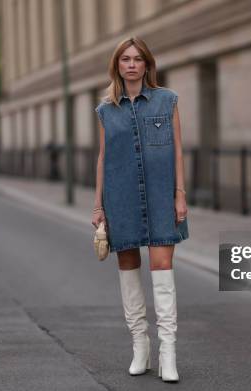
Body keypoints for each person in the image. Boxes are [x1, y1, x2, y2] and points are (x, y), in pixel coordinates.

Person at [92, 37, 189, 383]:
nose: (131, 64)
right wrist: (98, 205)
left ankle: (168, 352)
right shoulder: (106, 110)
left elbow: (177, 151)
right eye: (125, 59)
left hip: (162, 196)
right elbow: (103, 158)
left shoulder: (168, 100)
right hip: (122, 197)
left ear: (147, 64)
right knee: (129, 268)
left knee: (163, 270)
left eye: (137, 59)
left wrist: (180, 194)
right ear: (117, 65)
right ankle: (140, 347)